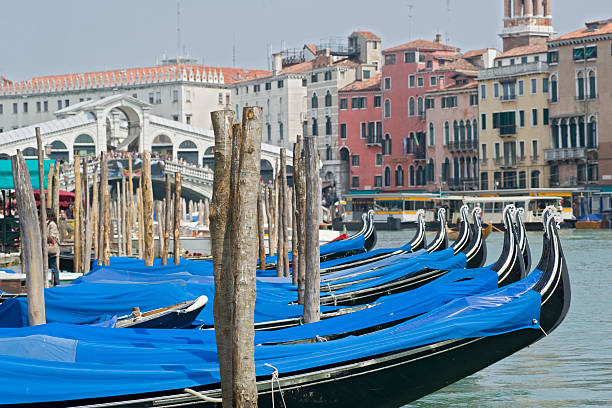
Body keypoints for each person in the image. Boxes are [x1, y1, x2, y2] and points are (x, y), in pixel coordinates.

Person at [46, 208, 60, 287]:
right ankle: (54, 283)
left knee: (54, 266)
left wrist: (44, 237)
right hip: (47, 248)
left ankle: (57, 284)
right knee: (52, 266)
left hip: (51, 248)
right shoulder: (47, 223)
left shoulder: (52, 224)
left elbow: (52, 236)